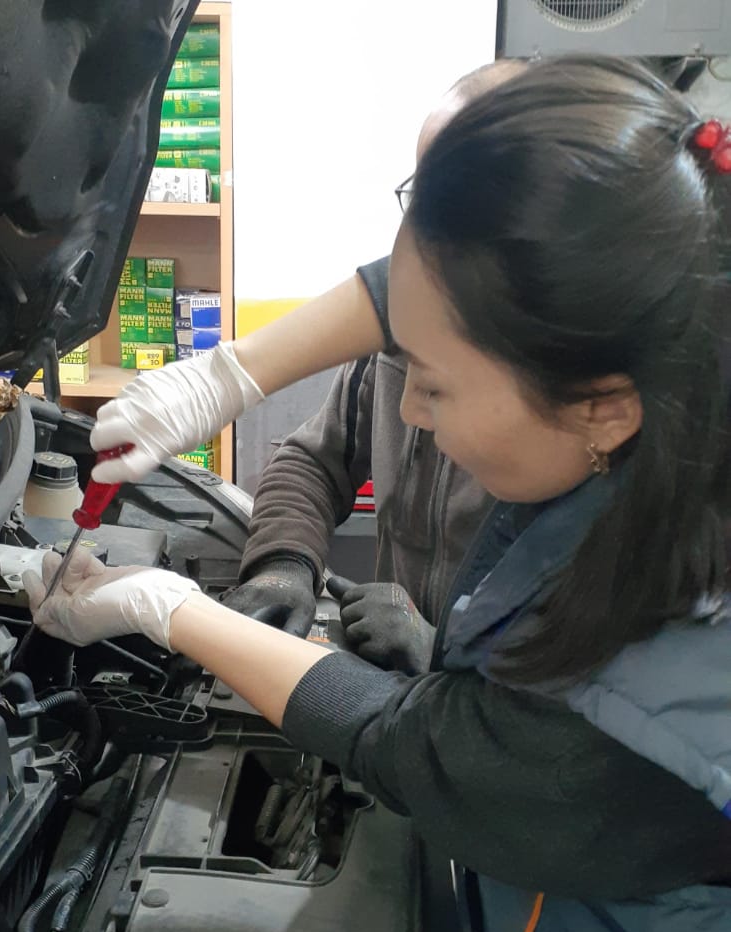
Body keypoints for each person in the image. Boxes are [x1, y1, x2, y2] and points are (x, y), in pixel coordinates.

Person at [26, 55, 731, 932]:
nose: (409, 413)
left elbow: (429, 753)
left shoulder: (669, 684)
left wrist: (173, 612)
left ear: (601, 406)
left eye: (437, 384)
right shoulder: (653, 343)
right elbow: (401, 296)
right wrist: (232, 373)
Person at [90, 62, 521, 673]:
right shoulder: (399, 334)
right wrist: (285, 564)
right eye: (421, 198)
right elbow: (312, 461)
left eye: (454, 207)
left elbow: (574, 680)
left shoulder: (577, 421)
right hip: (397, 698)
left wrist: (441, 653)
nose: (412, 409)